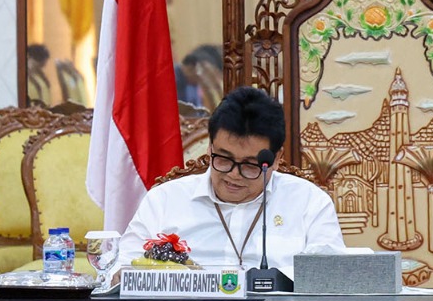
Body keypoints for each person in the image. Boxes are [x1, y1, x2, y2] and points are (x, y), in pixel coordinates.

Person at [119, 87, 345, 277]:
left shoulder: (309, 202)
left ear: (277, 159)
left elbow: (329, 276)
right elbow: (121, 269)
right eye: (224, 159)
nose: (234, 175)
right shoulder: (164, 200)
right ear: (210, 148)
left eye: (249, 164)